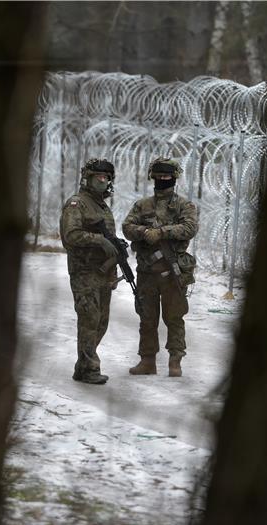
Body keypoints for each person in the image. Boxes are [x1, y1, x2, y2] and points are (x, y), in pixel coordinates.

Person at [122, 157, 198, 377]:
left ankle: (175, 361)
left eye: (166, 177)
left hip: (172, 269)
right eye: (158, 176)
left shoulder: (184, 205)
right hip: (147, 271)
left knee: (174, 316)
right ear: (152, 178)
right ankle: (147, 360)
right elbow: (127, 227)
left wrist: (163, 232)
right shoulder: (142, 205)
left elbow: (190, 227)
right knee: (147, 317)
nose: (162, 180)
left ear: (173, 178)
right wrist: (144, 233)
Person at [59, 158, 119, 385]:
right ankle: (89, 368)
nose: (103, 182)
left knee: (101, 322)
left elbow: (109, 240)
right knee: (89, 319)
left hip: (102, 273)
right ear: (88, 178)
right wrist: (98, 240)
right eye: (99, 178)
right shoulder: (77, 204)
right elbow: (71, 235)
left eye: (107, 178)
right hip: (84, 272)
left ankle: (83, 366)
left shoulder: (102, 206)